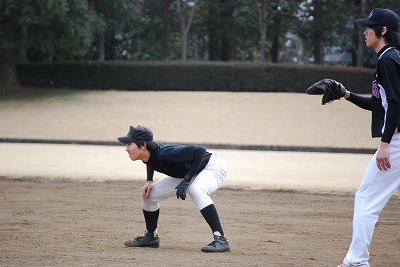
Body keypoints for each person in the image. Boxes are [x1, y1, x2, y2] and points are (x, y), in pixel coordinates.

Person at [335, 8, 400, 267]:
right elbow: (380, 105)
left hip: (396, 141)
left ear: (383, 31)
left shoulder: (388, 60)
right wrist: (345, 93)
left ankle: (356, 262)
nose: (365, 31)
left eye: (370, 27)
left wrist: (385, 144)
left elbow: (396, 104)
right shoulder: (391, 57)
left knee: (365, 199)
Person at [117, 125, 230, 253]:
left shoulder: (167, 154)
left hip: (211, 167)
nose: (126, 149)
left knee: (196, 190)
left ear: (143, 145)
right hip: (190, 171)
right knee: (150, 194)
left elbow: (200, 151)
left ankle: (221, 239)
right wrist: (149, 181)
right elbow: (151, 161)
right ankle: (151, 237)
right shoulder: (150, 154)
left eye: (129, 144)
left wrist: (186, 180)